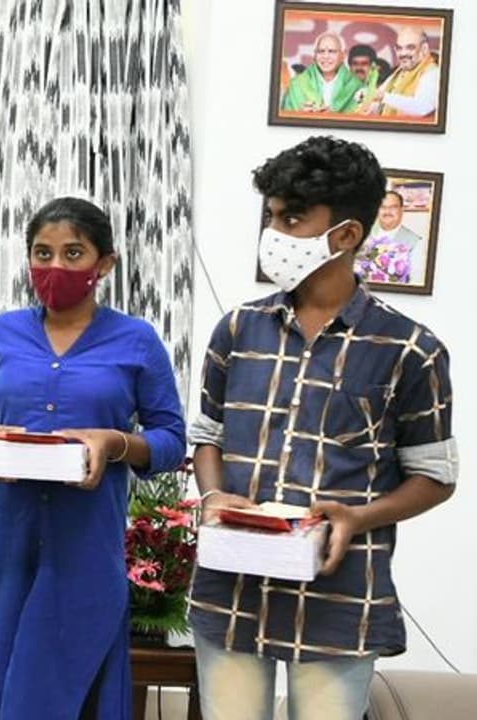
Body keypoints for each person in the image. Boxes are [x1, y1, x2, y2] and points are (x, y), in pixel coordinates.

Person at [188, 136, 457, 719]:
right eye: (271, 216)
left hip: (340, 602)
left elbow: (435, 476)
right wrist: (213, 496)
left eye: (291, 218)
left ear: (347, 235)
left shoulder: (411, 349)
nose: (275, 232)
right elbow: (206, 436)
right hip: (232, 590)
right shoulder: (237, 330)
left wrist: (358, 517)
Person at [0, 198, 187, 719]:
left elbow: (171, 441)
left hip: (85, 548)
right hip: (4, 542)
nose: (55, 268)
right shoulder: (3, 331)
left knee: (65, 691)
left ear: (105, 264)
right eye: (42, 253)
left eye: (73, 253)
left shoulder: (137, 340)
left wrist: (114, 443)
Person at [365, 27, 441, 117]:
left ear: (424, 49)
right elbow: (378, 97)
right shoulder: (399, 72)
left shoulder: (432, 72)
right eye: (399, 48)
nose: (403, 53)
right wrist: (367, 100)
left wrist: (384, 97)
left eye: (410, 47)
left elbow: (422, 107)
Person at [281, 32, 364, 113]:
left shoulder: (356, 87)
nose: (325, 56)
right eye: (321, 51)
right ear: (314, 55)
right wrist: (301, 115)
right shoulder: (297, 84)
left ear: (343, 55)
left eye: (331, 51)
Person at [360, 190, 425, 284]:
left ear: (402, 210)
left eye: (393, 207)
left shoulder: (416, 242)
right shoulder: (364, 235)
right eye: (383, 207)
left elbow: (416, 281)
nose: (387, 211)